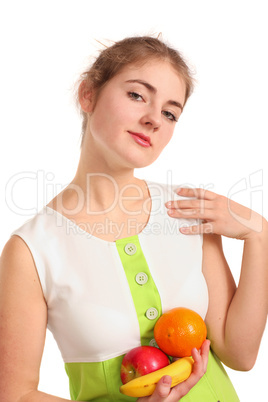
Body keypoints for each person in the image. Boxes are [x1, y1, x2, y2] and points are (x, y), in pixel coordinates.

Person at [0, 35, 267, 402]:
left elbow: (241, 354)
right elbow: (13, 394)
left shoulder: (185, 209)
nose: (154, 120)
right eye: (137, 95)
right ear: (88, 94)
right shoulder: (31, 249)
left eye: (170, 113)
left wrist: (259, 234)